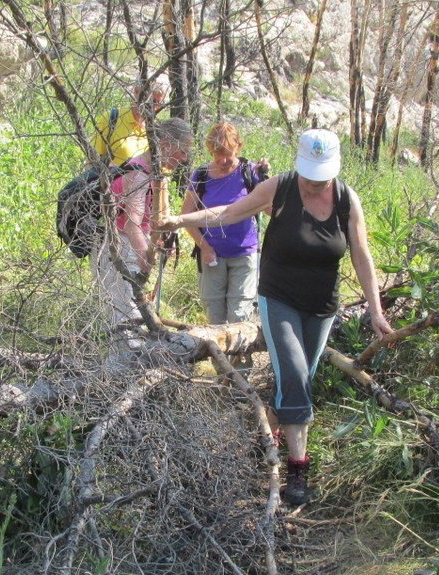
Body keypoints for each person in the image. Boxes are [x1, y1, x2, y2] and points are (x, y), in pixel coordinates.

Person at [155, 128, 394, 505]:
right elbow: (230, 212)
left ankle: (267, 433)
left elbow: (362, 257)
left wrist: (377, 312)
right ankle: (297, 471)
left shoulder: (348, 199)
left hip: (321, 306)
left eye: (323, 175)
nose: (317, 183)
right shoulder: (279, 189)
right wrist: (182, 221)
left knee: (298, 379)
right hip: (278, 298)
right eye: (311, 174)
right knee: (296, 376)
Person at [93, 116, 193, 329]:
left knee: (135, 315)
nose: (184, 159)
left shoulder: (155, 173)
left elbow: (153, 218)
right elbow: (132, 225)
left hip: (129, 245)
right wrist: (144, 258)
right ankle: (121, 361)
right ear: (166, 143)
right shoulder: (138, 174)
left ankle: (129, 358)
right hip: (119, 246)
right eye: (183, 151)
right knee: (125, 316)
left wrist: (161, 241)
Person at [180, 122, 267, 325]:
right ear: (211, 150)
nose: (224, 160)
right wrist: (205, 246)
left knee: (239, 315)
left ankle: (239, 357)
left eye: (229, 153)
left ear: (238, 147)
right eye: (218, 153)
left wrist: (264, 178)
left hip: (244, 254)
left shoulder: (250, 172)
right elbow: (186, 215)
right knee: (215, 317)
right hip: (212, 255)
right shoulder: (200, 175)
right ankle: (218, 357)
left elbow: (269, 207)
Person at [91, 74, 172, 166]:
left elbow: (162, 173)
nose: (151, 106)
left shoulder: (157, 132)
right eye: (148, 99)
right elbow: (92, 162)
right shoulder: (112, 118)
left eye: (157, 102)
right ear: (136, 91)